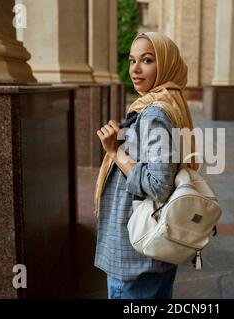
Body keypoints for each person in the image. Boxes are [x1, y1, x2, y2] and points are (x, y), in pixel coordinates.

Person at [93, 32, 199, 299]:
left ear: (165, 66)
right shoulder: (166, 104)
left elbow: (159, 185)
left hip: (135, 255)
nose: (135, 69)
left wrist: (115, 152)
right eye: (132, 60)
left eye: (147, 60)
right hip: (152, 252)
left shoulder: (154, 113)